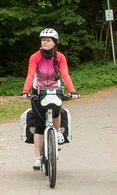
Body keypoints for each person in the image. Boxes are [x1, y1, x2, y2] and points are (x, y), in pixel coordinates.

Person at [21, 28, 78, 170]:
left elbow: (65, 74)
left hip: (54, 88)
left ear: (54, 43)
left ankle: (57, 132)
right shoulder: (35, 57)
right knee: (39, 126)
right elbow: (30, 74)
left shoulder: (60, 57)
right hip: (38, 90)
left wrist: (72, 91)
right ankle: (38, 158)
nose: (45, 42)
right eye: (43, 40)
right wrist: (25, 91)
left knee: (57, 112)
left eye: (48, 40)